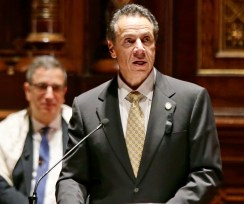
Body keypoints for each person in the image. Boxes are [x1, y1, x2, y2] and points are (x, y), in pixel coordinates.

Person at [56, 3, 222, 204]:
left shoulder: (192, 99)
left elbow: (207, 173)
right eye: (129, 41)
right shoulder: (86, 107)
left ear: (155, 45)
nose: (140, 49)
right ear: (112, 48)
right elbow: (73, 177)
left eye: (146, 40)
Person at [0, 55, 72, 204]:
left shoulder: (81, 124)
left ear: (64, 92)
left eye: (56, 88)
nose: (49, 95)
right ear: (28, 90)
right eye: (42, 86)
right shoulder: (7, 129)